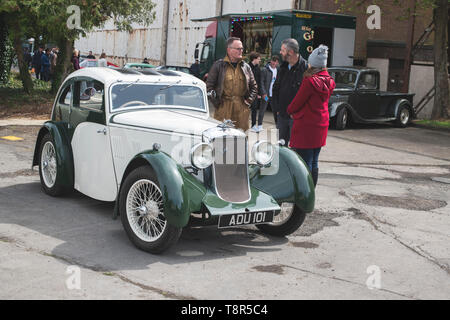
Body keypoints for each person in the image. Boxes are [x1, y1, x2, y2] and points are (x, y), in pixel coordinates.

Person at [287, 45, 335, 188]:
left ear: (313, 64)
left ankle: (305, 192)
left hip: (306, 125)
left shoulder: (310, 81)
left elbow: (297, 103)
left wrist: (289, 110)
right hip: (321, 124)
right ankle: (311, 191)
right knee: (314, 160)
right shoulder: (330, 81)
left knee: (304, 161)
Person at [206, 37, 258, 132]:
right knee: (221, 139)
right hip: (223, 108)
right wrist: (217, 104)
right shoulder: (218, 65)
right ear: (229, 50)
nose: (241, 51)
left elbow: (254, 87)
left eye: (242, 48)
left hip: (242, 109)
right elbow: (209, 87)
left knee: (240, 140)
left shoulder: (246, 67)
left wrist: (248, 101)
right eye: (238, 48)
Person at [272, 38, 308, 146]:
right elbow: (275, 90)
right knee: (280, 149)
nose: (280, 53)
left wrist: (300, 113)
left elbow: (308, 95)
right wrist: (277, 110)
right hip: (282, 116)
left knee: (296, 149)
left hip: (297, 118)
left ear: (290, 52)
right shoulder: (282, 68)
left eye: (282, 50)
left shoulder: (306, 68)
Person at [260, 55, 280, 129]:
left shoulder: (278, 69)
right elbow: (261, 82)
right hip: (266, 95)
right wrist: (263, 93)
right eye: (273, 61)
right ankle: (259, 125)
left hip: (274, 95)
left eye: (276, 62)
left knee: (275, 111)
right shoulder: (265, 69)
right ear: (271, 61)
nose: (275, 63)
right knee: (263, 109)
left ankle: (278, 126)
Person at [248, 52, 264, 132]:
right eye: (258, 59)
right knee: (244, 109)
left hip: (254, 92)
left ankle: (253, 125)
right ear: (254, 59)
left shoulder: (258, 68)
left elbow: (259, 82)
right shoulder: (246, 67)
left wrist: (259, 93)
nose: (260, 60)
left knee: (254, 109)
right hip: (246, 92)